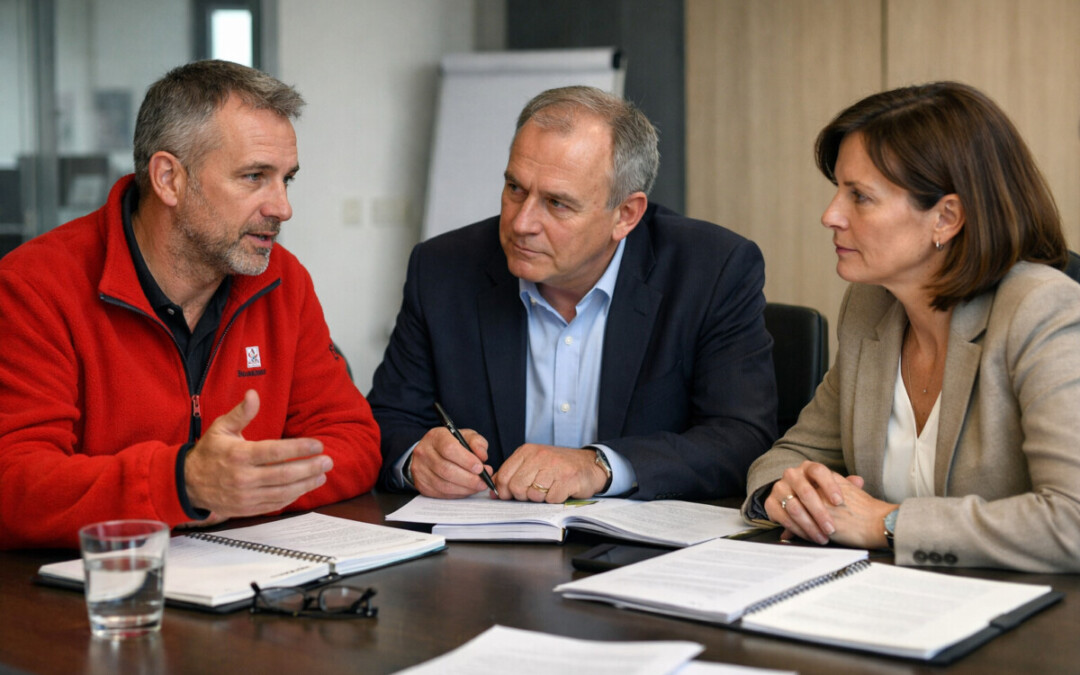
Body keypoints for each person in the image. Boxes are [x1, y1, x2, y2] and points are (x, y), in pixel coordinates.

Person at [0, 60, 381, 549]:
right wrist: (183, 484)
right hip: (91, 602)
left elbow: (353, 439)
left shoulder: (283, 280)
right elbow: (15, 484)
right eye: (254, 177)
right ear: (168, 179)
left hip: (245, 585)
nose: (282, 207)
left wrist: (237, 487)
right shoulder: (34, 287)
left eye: (287, 178)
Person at [370, 86, 777, 503]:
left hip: (641, 554)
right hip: (485, 551)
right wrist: (416, 457)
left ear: (626, 214)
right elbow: (385, 420)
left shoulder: (710, 270)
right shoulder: (444, 269)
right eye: (515, 188)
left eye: (557, 203)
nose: (522, 222)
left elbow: (741, 438)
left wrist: (599, 465)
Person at [741, 81, 1080, 572]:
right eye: (838, 190)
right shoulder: (872, 306)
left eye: (860, 197)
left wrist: (889, 524)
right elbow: (792, 453)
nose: (830, 215)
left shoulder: (1041, 311)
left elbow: (1070, 519)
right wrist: (788, 494)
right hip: (891, 604)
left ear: (946, 218)